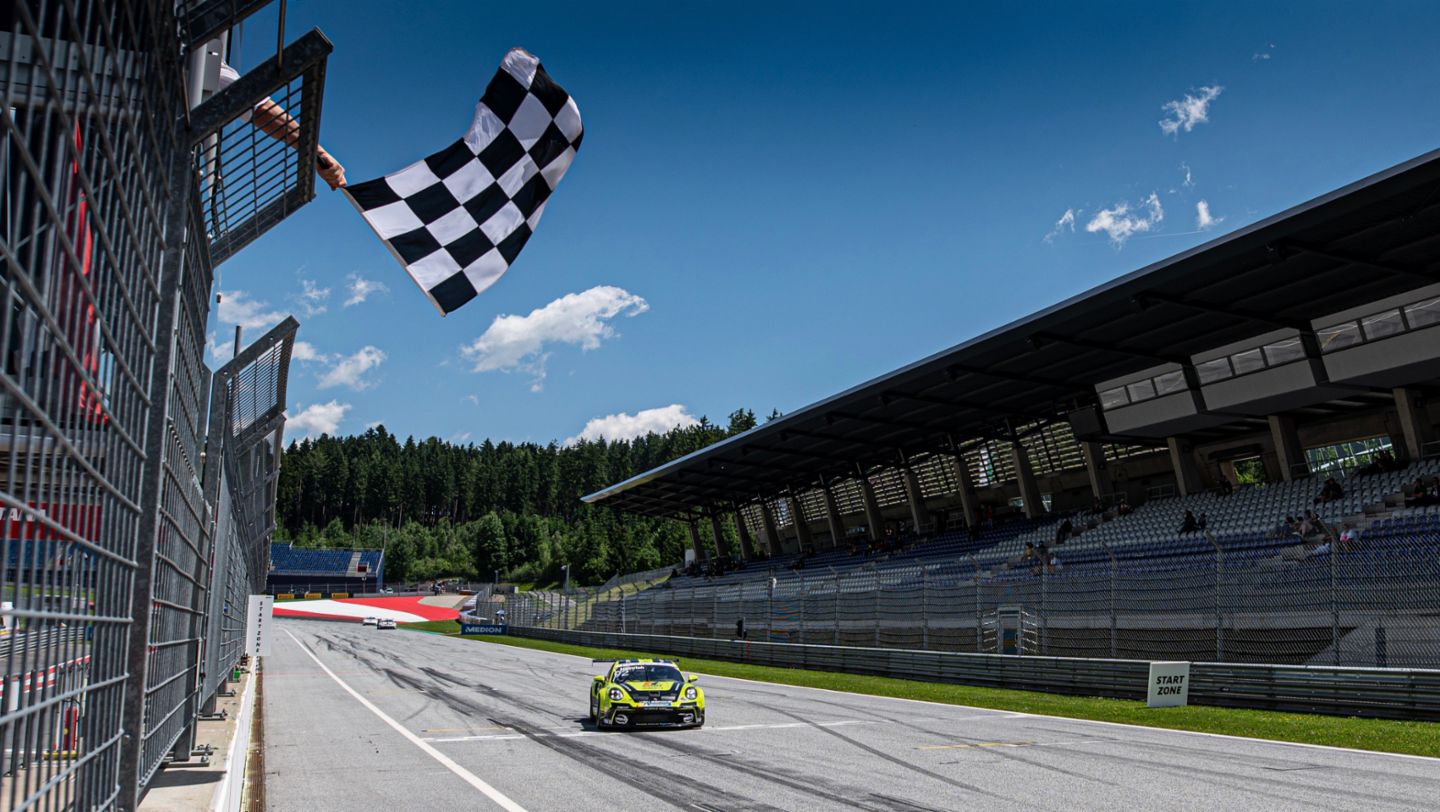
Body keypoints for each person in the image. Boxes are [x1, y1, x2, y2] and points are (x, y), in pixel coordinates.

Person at [216, 61, 347, 190]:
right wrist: (317, 152)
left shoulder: (209, 58)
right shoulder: (206, 55)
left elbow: (253, 104)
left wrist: (317, 153)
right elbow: (256, 106)